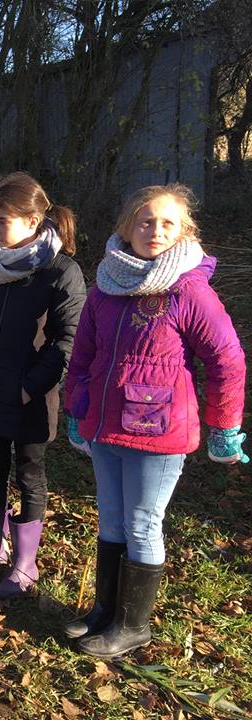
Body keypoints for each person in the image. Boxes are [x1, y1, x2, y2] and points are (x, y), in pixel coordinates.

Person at [63, 184, 247, 657]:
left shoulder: (189, 290)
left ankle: (132, 625)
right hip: (105, 426)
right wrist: (76, 409)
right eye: (146, 221)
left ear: (183, 230)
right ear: (127, 227)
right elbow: (82, 355)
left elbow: (227, 359)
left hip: (159, 431)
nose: (156, 231)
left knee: (143, 523)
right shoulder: (106, 285)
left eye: (168, 223)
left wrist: (224, 427)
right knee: (111, 520)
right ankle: (106, 611)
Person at [0, 172, 86, 599]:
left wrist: (30, 387)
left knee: (29, 473)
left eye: (2, 221)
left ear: (32, 221)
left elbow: (67, 340)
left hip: (30, 397)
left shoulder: (61, 271)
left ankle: (25, 562)